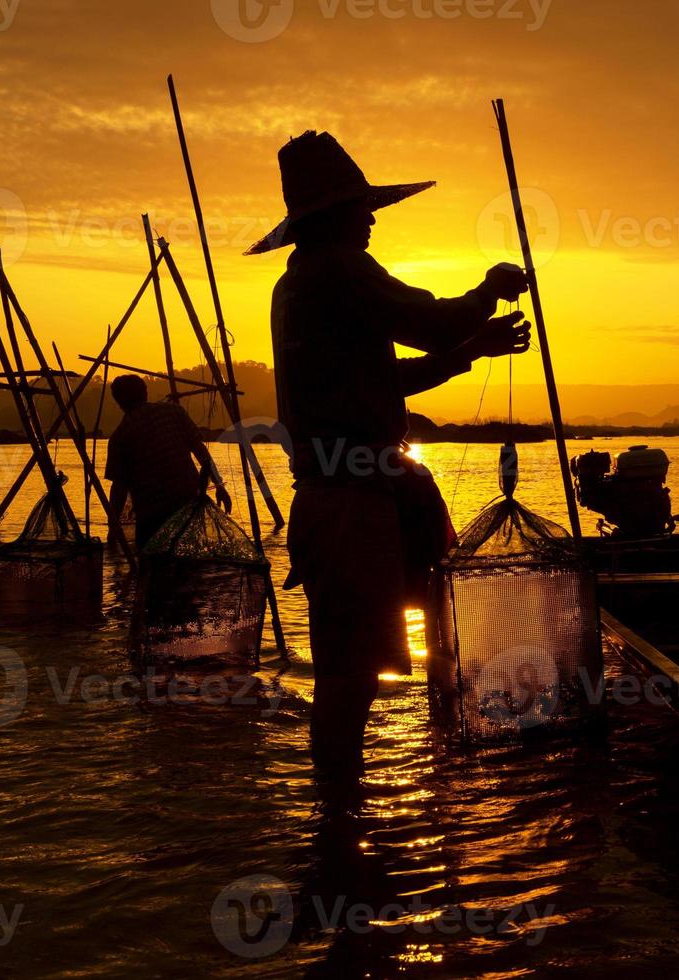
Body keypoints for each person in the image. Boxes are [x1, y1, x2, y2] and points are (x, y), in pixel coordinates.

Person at [248, 130, 530, 781]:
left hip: (342, 500)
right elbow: (426, 320)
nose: (372, 216)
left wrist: (470, 352)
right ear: (332, 217)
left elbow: (385, 381)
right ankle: (340, 821)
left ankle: (348, 823)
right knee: (350, 678)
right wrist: (487, 288)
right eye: (361, 206)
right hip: (349, 507)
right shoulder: (337, 270)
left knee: (355, 672)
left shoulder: (299, 286)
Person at [104, 374, 233, 548]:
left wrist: (113, 527)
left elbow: (119, 488)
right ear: (145, 393)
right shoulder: (173, 412)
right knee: (188, 555)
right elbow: (200, 451)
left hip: (152, 513)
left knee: (152, 562)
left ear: (119, 401)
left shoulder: (120, 436)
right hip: (187, 503)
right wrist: (219, 485)